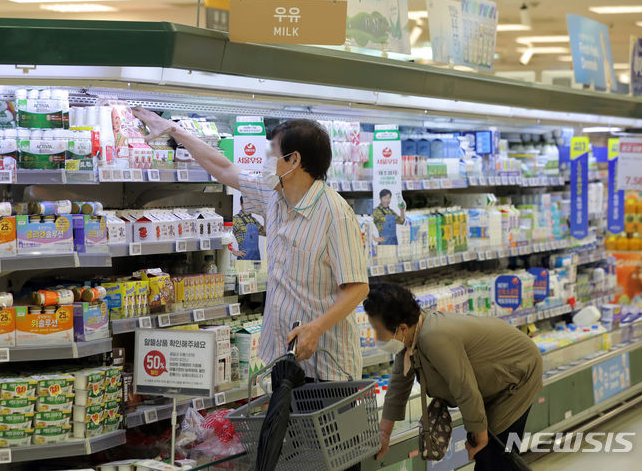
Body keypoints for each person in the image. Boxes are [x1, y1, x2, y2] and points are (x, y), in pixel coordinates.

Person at [132, 109, 369, 381]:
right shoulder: (274, 195)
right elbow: (223, 168)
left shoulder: (335, 214)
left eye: (273, 154)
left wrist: (315, 328)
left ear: (294, 160)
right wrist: (174, 130)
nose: (267, 160)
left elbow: (358, 287)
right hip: (283, 357)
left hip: (327, 366)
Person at [363, 282, 543, 471]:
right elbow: (399, 382)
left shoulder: (434, 336)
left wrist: (480, 435)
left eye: (378, 330)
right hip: (494, 382)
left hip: (518, 375)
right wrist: (384, 432)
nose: (376, 336)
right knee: (488, 453)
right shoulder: (412, 333)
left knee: (494, 454)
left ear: (401, 328)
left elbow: (463, 386)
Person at [232, 196, 266, 260]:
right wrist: (234, 252)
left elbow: (265, 233)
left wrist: (265, 217)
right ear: (241, 204)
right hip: (244, 260)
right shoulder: (235, 219)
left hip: (256, 259)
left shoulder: (254, 220)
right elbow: (225, 236)